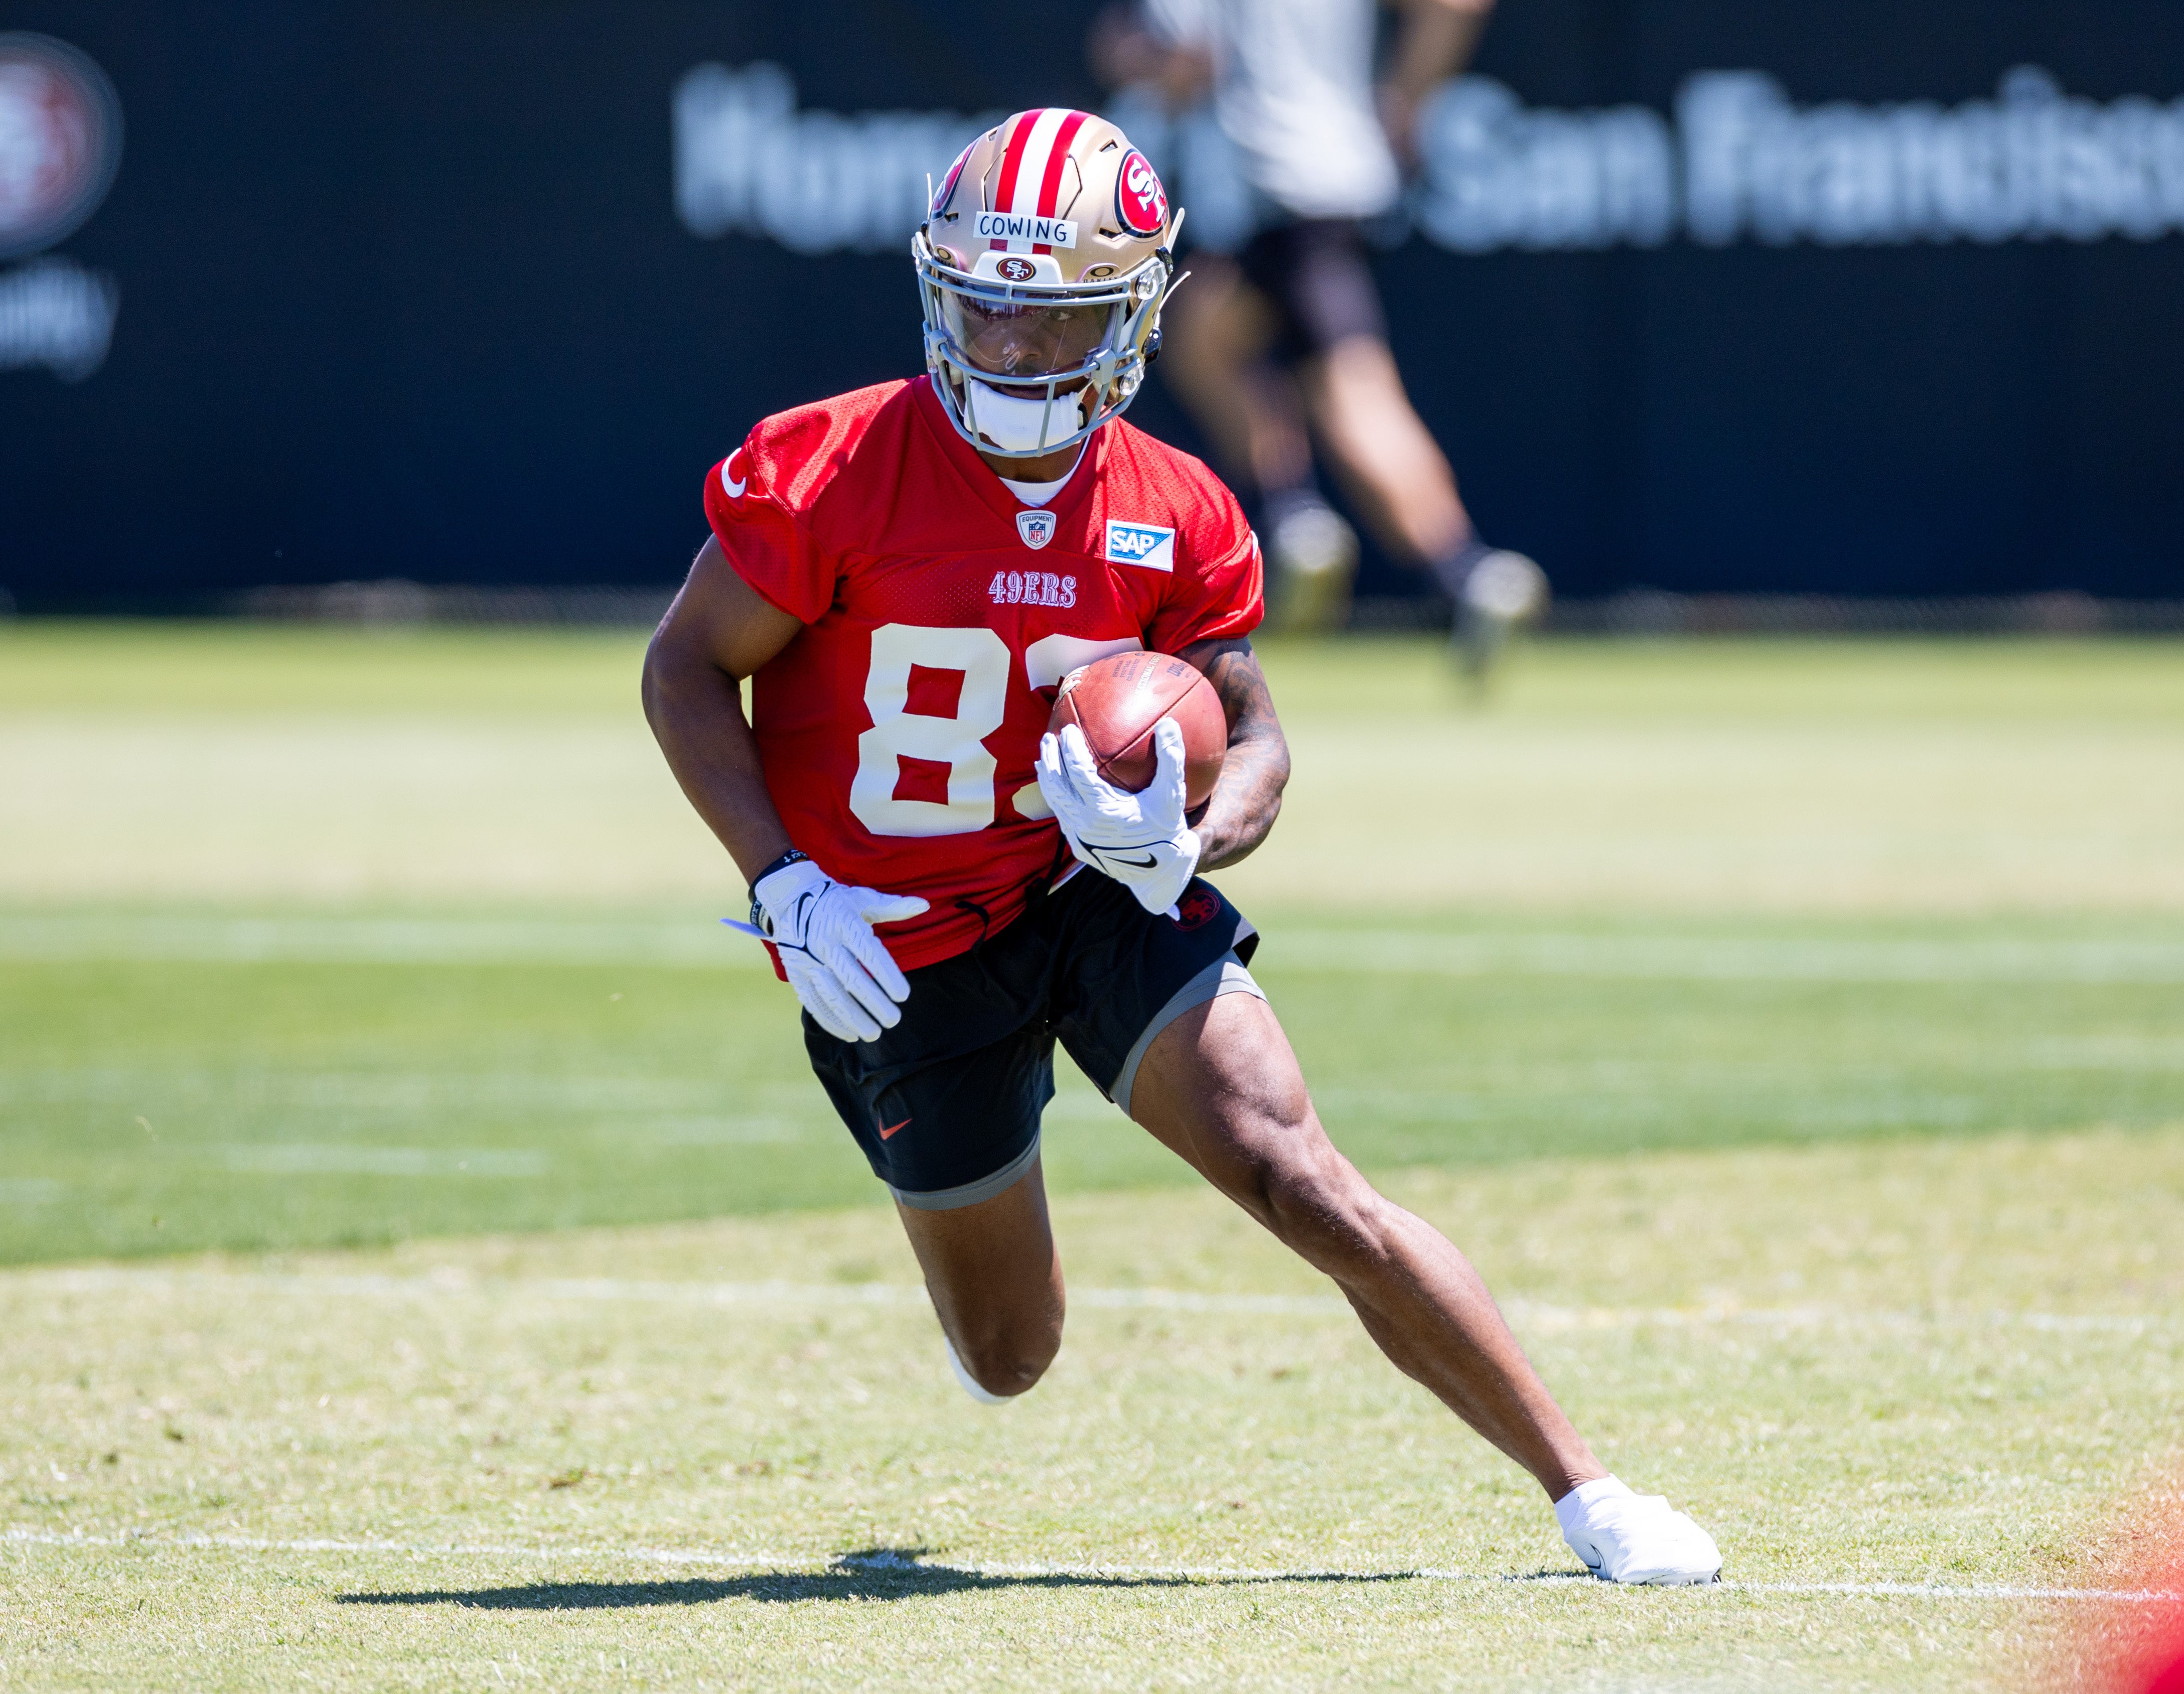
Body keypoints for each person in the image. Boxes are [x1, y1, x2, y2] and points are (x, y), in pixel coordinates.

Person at [639, 107, 1717, 1584]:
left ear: (1138, 314)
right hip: (884, 950)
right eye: (987, 309)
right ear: (936, 291)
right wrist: (782, 883)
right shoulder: (827, 465)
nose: (1013, 351)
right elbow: (687, 668)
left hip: (1091, 893)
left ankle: (1591, 1496)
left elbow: (1259, 737)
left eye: (1056, 317)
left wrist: (1183, 841)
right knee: (1012, 1355)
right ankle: (986, 1266)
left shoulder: (1178, 507)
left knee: (1302, 1174)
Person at [1096, 0, 1547, 670]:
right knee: (1207, 341)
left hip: (1270, 186)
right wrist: (1405, 102)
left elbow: (1185, 58)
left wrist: (1133, 60)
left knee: (1349, 392)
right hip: (1333, 178)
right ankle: (1308, 518)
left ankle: (1455, 565)